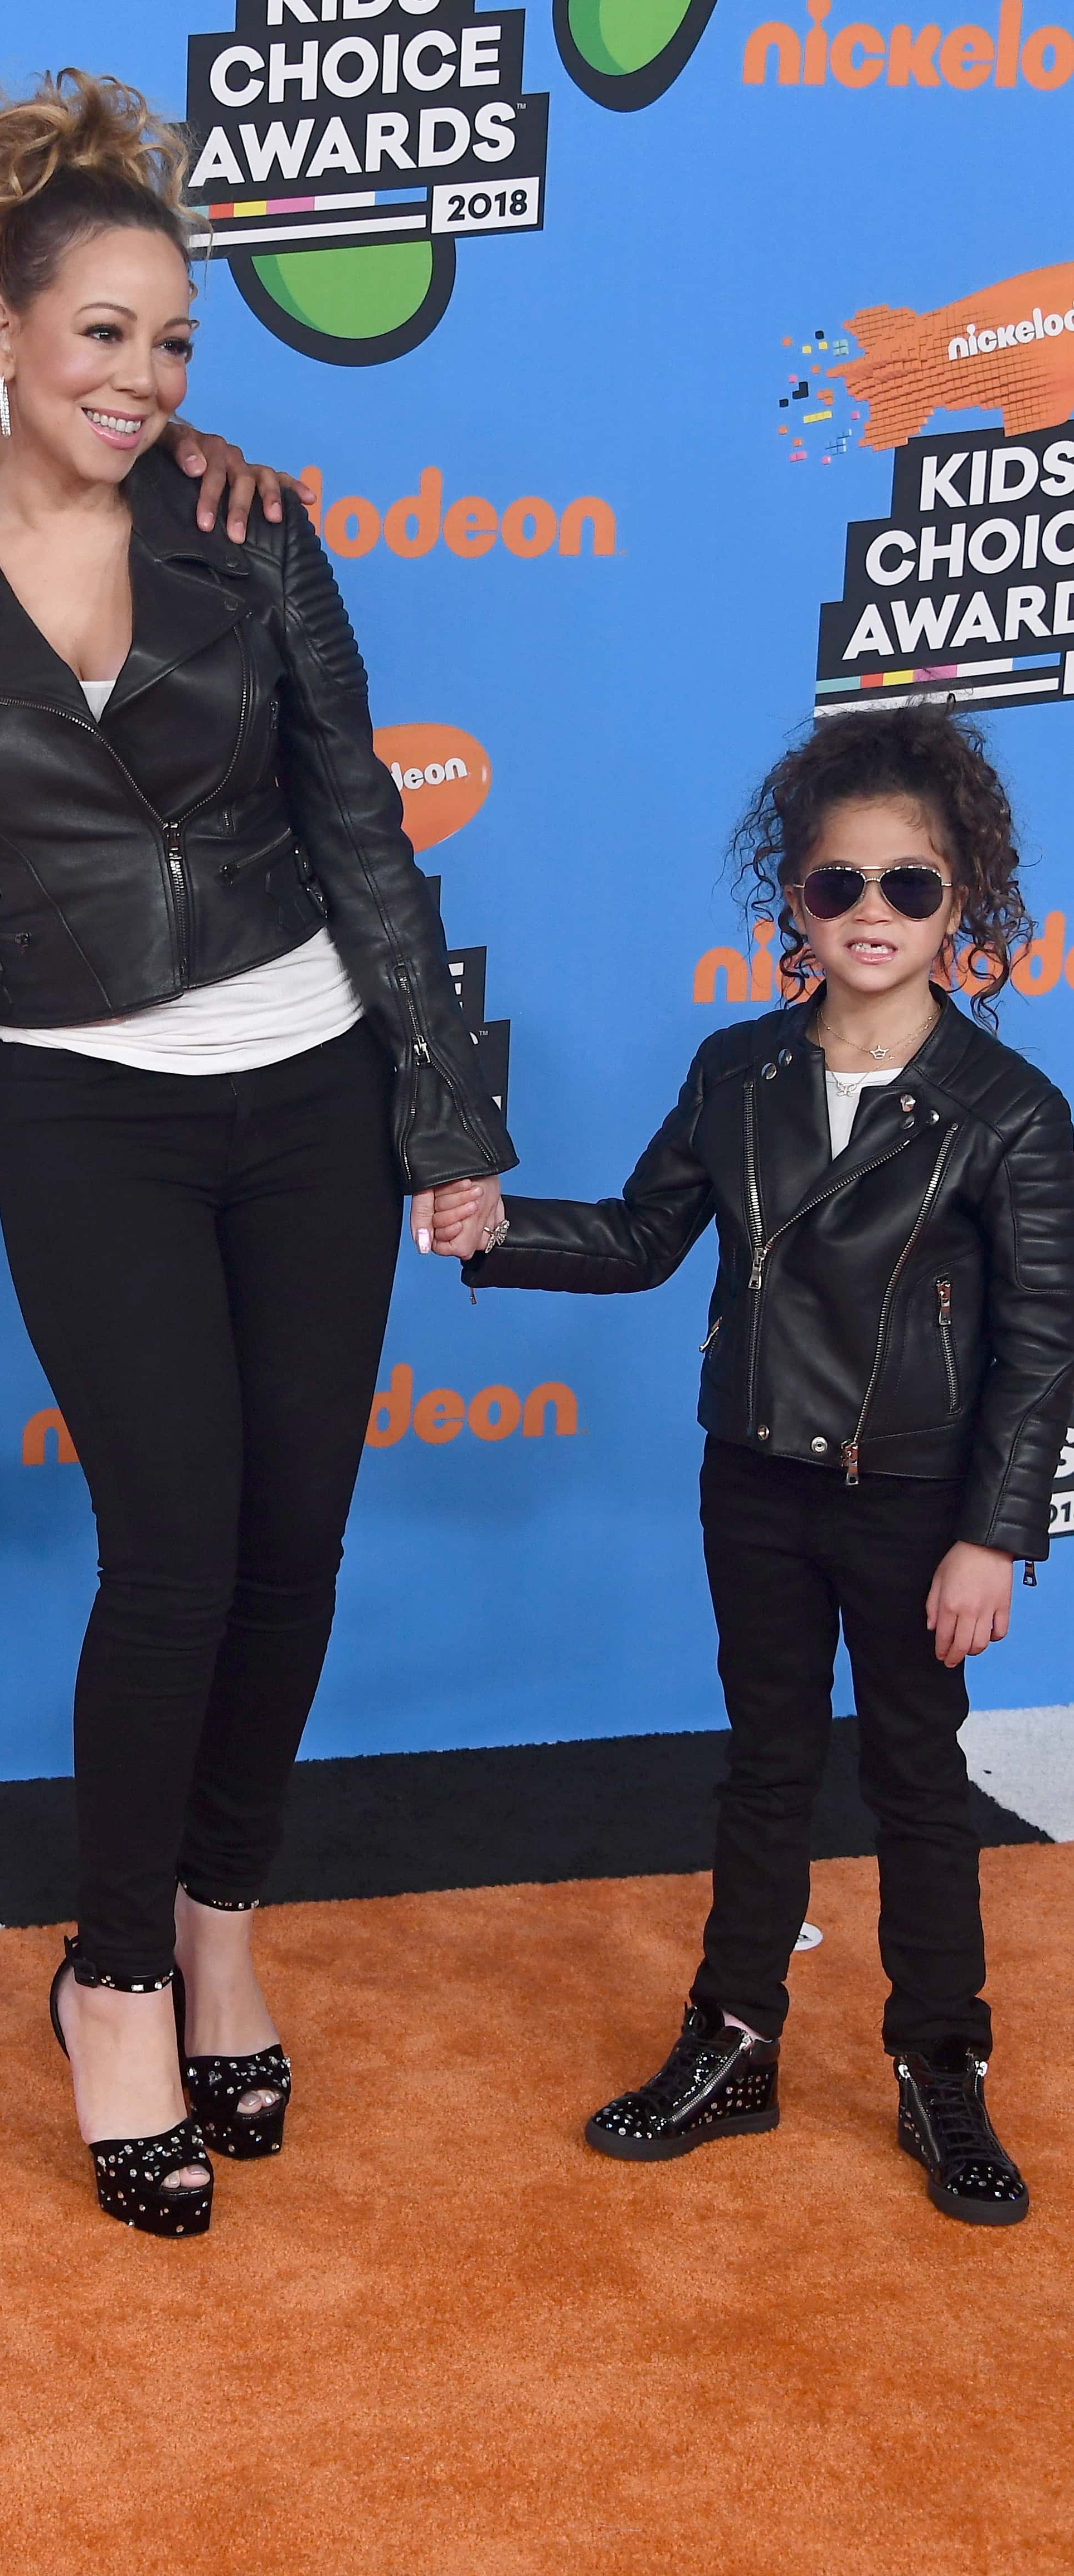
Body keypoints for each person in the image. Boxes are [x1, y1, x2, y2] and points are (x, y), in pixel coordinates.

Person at [0, 72, 516, 2236]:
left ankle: (218, 1926)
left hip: (310, 1093)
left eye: (173, 341)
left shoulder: (243, 524)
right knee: (176, 1554)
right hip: (88, 1114)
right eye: (103, 331)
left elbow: (357, 821)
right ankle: (109, 1976)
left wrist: (442, 1107)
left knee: (292, 1550)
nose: (140, 376)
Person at [441, 704, 1074, 2227]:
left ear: (963, 905)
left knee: (918, 1778)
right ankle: (732, 2045)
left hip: (918, 1501)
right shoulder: (736, 1070)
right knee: (764, 1768)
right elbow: (644, 1237)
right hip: (756, 1482)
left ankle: (941, 2065)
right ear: (792, 900)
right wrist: (496, 1226)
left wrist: (994, 1534)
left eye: (909, 885)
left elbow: (1043, 1344)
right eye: (838, 884)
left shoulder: (1010, 1113)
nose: (872, 913)